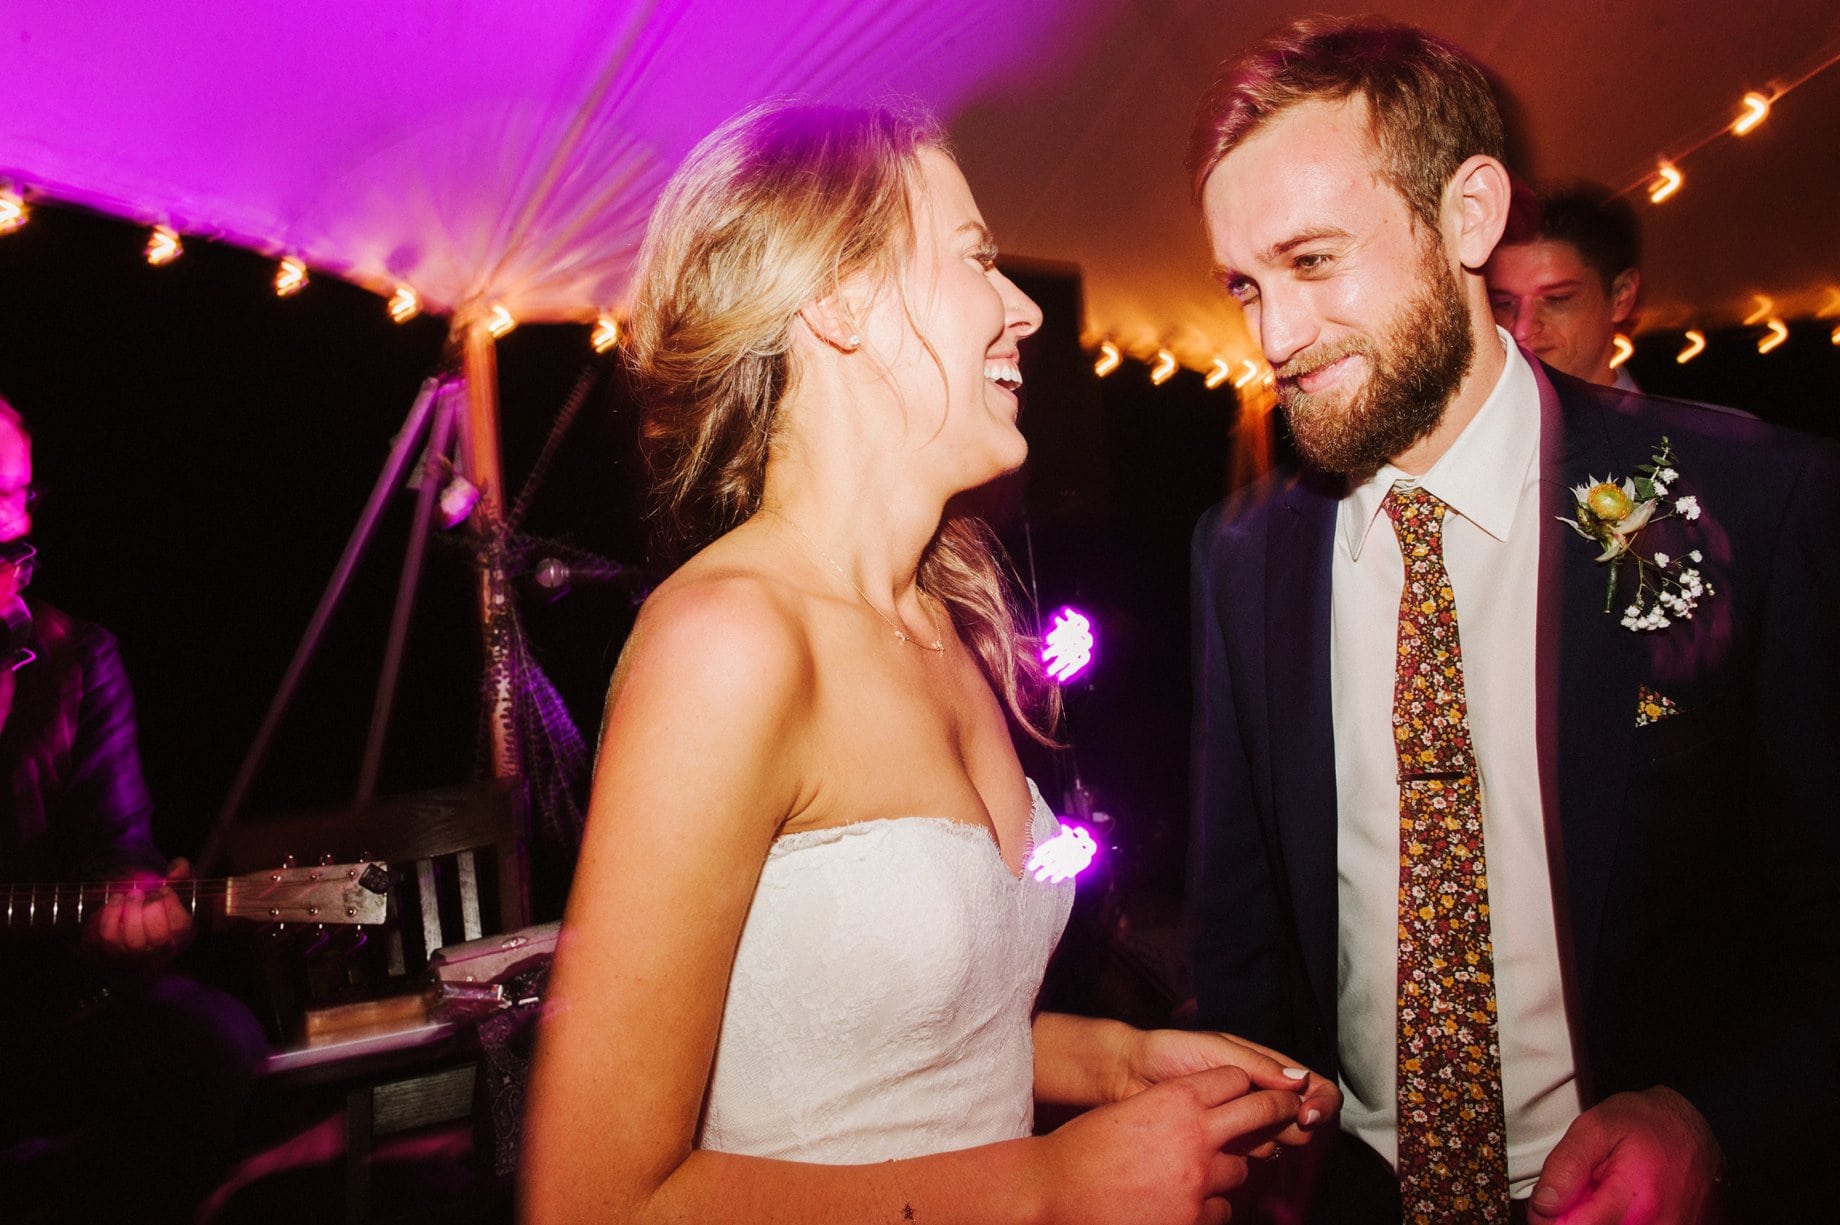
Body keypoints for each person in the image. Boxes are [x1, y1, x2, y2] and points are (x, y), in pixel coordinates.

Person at [521, 101, 1339, 1225]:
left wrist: (1119, 1065)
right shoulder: (727, 642)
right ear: (840, 301)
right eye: (976, 260)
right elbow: (589, 1201)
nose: (1019, 311)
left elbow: (904, 1035)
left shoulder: (942, 622)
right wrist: (1049, 1187)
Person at [1186, 16, 1836, 1224]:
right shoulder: (1241, 554)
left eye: (1314, 262)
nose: (1271, 338)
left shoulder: (1750, 501)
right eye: (1244, 286)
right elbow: (1239, 944)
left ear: (1470, 214)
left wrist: (1710, 1119)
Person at [0, 397, 266, 1223]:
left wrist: (133, 903)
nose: (11, 525)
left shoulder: (77, 659)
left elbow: (114, 847)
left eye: (17, 496)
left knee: (212, 1041)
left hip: (26, 1015)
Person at [1486, 182, 1643, 389]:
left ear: (1621, 297)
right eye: (1504, 303)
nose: (1522, 330)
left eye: (1556, 299)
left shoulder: (1671, 421)